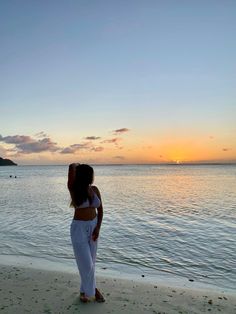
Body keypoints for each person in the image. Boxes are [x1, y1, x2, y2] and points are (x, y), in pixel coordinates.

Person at [67, 163, 105, 303]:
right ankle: (94, 290)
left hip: (93, 226)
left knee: (91, 262)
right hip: (79, 229)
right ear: (84, 175)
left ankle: (84, 291)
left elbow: (100, 211)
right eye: (89, 173)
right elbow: (71, 170)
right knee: (87, 264)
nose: (92, 176)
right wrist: (75, 167)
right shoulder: (74, 189)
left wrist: (98, 228)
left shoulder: (95, 189)